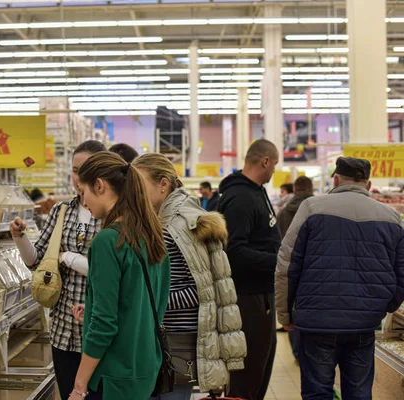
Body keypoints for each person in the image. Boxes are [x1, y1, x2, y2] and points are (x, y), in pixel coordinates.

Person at [275, 157, 404, 400]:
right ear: (368, 184)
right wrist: (384, 306)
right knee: (358, 393)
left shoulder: (312, 208)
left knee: (317, 393)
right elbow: (402, 273)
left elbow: (286, 265)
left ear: (335, 179)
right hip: (363, 325)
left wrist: (285, 315)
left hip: (316, 322)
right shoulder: (390, 217)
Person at [133, 153, 246, 400]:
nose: (134, 193)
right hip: (177, 335)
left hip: (178, 337)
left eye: (139, 185)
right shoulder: (178, 216)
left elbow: (199, 289)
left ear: (163, 184)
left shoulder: (173, 226)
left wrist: (150, 302)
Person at [69, 152, 171, 400]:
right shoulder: (152, 235)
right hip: (146, 368)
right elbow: (152, 305)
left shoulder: (107, 242)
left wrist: (79, 386)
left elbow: (105, 324)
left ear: (100, 186)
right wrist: (93, 311)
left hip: (113, 376)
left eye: (84, 193)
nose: (84, 202)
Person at [10, 140, 106, 399]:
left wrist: (68, 257)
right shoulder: (62, 212)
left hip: (101, 332)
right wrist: (20, 237)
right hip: (64, 331)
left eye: (85, 169)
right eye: (75, 170)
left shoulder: (112, 214)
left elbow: (108, 271)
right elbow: (37, 263)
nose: (78, 178)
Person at [217, 139, 281, 400]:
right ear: (265, 161)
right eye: (275, 164)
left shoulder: (256, 192)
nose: (275, 170)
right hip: (246, 298)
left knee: (260, 368)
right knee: (246, 372)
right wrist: (278, 261)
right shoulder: (241, 198)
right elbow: (234, 252)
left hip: (261, 294)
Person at [276, 175, 314, 362]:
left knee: (292, 310)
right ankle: (307, 353)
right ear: (311, 189)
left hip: (290, 268)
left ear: (295, 190)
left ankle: (297, 353)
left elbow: (279, 241)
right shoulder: (318, 210)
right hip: (312, 272)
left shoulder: (284, 212)